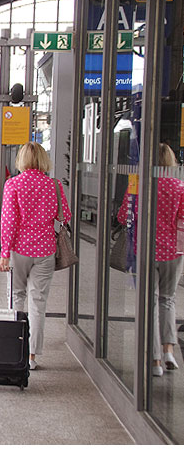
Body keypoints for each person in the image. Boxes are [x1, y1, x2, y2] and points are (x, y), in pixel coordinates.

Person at [0, 142, 71, 371]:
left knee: (16, 298)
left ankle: (15, 350)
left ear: (22, 160)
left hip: (19, 250)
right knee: (38, 303)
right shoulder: (54, 185)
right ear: (42, 159)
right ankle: (31, 356)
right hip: (46, 250)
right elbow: (65, 216)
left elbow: (9, 222)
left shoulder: (13, 184)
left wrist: (4, 254)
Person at [117, 143, 184, 376]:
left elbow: (123, 214)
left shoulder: (139, 184)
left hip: (144, 251)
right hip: (173, 252)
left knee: (151, 303)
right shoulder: (179, 186)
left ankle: (154, 360)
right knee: (168, 300)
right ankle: (168, 351)